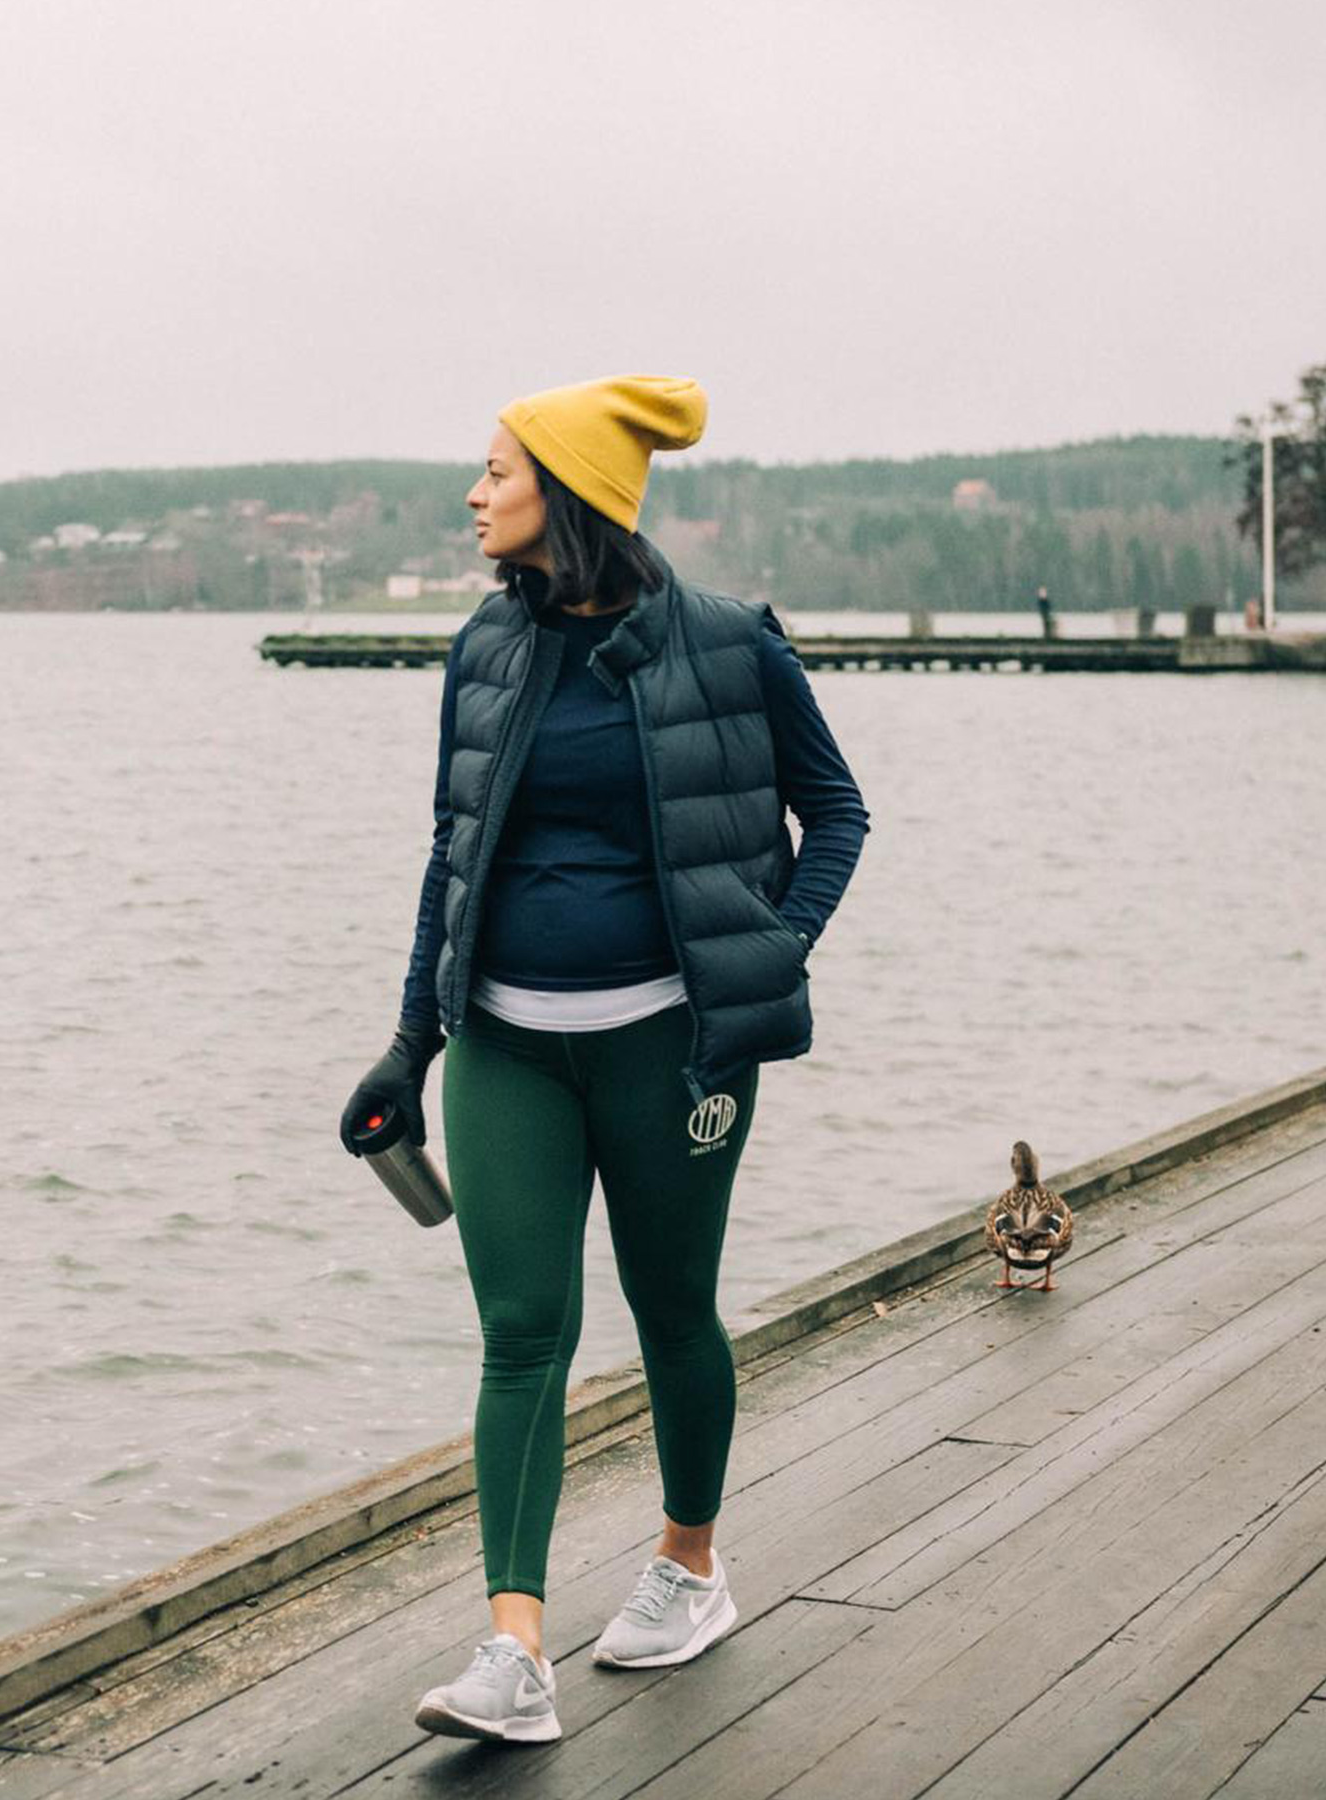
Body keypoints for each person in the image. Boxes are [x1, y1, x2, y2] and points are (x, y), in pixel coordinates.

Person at [338, 374, 870, 1744]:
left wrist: (769, 952)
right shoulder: (484, 650)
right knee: (522, 1333)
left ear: (567, 492)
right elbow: (451, 852)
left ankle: (691, 1565)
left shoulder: (729, 645)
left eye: (498, 470)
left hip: (671, 1050)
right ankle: (514, 1648)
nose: (475, 492)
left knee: (671, 1310)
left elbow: (838, 813)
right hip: (507, 1048)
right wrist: (412, 1041)